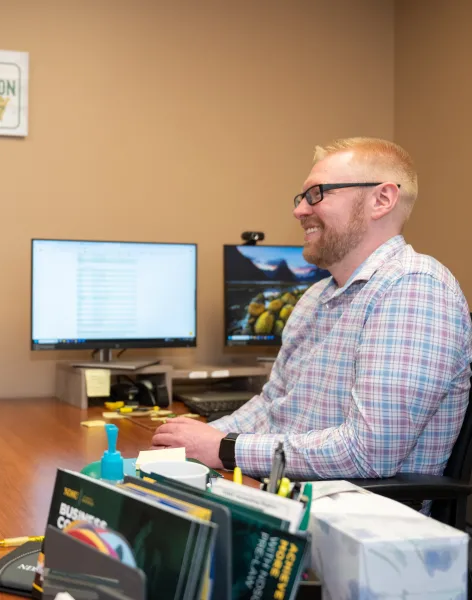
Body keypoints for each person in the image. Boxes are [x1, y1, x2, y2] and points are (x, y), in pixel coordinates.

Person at [152, 137, 472, 484]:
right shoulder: (316, 296)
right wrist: (190, 442)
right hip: (291, 503)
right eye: (301, 197)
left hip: (353, 523)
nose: (300, 210)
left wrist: (225, 448)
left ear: (382, 199)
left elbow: (370, 454)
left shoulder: (413, 289)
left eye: (317, 193)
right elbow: (272, 407)